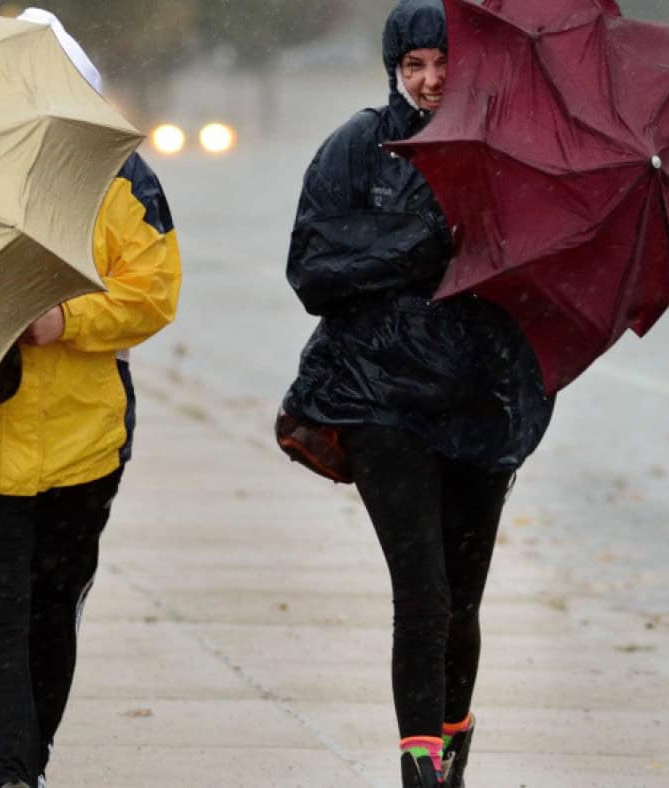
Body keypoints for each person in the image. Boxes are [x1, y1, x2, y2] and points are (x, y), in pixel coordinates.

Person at [0, 9, 182, 787]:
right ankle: (4, 774)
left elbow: (154, 292)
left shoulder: (122, 179)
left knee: (51, 621)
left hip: (82, 450)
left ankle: (24, 760)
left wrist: (65, 318)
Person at [277, 1, 555, 785]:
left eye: (443, 63)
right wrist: (423, 244)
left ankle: (451, 755)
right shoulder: (358, 148)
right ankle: (419, 769)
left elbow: (542, 280)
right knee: (424, 592)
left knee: (463, 599)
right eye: (414, 66)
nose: (429, 80)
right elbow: (313, 273)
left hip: (483, 406)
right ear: (393, 69)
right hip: (378, 401)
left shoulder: (513, 151)